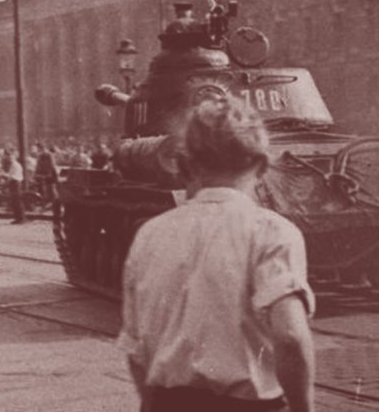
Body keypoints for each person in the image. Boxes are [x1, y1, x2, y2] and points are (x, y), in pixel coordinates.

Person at [117, 96, 316, 412]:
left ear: (186, 166)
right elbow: (290, 336)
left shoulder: (149, 233)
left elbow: (135, 350)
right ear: (262, 166)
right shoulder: (272, 231)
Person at [1, 152, 25, 225]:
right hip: (13, 183)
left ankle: (21, 218)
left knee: (17, 201)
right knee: (14, 201)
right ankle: (17, 218)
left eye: (10, 157)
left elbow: (13, 176)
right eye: (8, 157)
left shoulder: (16, 165)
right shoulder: (12, 165)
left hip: (16, 183)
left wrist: (5, 176)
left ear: (14, 157)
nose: (9, 158)